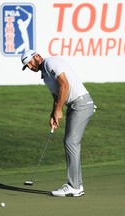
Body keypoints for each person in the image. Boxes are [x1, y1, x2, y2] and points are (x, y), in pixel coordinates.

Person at [20, 50, 95, 197]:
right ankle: (77, 184)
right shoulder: (45, 76)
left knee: (70, 142)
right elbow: (57, 96)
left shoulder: (50, 63)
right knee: (71, 143)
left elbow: (64, 85)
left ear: (37, 57)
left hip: (81, 104)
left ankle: (73, 186)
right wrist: (54, 113)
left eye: (29, 63)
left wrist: (59, 110)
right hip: (74, 106)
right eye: (26, 66)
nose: (29, 67)